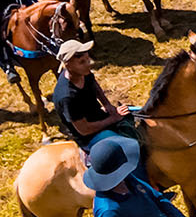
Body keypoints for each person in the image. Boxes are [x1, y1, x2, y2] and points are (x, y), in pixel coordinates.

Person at [52, 40, 142, 173]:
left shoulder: (83, 72)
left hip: (99, 116)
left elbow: (93, 84)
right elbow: (84, 129)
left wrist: (107, 104)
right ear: (68, 65)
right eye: (82, 62)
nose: (89, 63)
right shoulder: (66, 97)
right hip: (89, 136)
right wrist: (113, 119)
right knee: (128, 149)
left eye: (88, 59)